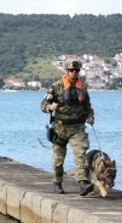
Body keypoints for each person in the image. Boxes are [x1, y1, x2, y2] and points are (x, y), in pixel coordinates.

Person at [40, 58, 95, 195]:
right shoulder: (56, 86)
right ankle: (57, 182)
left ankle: (82, 183)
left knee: (80, 153)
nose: (74, 73)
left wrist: (90, 116)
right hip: (60, 128)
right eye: (71, 70)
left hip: (78, 127)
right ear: (67, 71)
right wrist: (50, 107)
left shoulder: (82, 88)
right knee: (58, 159)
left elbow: (87, 106)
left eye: (76, 70)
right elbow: (43, 105)